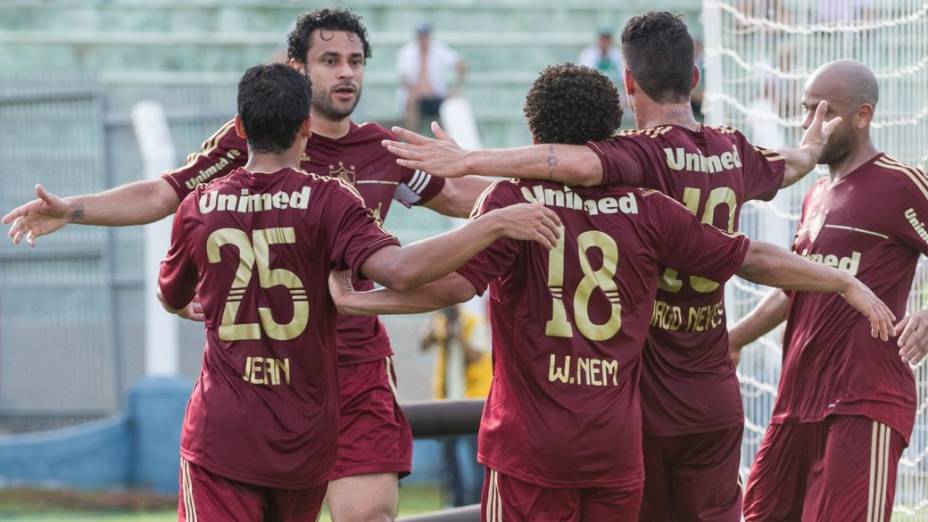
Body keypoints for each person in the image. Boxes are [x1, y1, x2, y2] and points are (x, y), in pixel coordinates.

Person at [327, 63, 895, 521]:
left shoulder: (511, 205)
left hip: (529, 448)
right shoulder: (649, 210)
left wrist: (360, 300)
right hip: (617, 448)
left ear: (534, 136)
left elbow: (445, 287)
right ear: (610, 135)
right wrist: (841, 278)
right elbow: (752, 256)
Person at [2, 9, 491, 521]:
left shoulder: (382, 150)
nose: (346, 73)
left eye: (355, 61)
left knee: (368, 515)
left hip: (353, 366)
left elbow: (462, 197)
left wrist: (535, 191)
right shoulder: (250, 142)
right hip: (267, 377)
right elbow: (161, 192)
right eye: (330, 60)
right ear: (298, 70)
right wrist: (74, 209)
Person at [158, 63, 560, 522]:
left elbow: (171, 294)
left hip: (224, 430)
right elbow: (402, 271)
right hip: (304, 433)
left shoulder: (198, 205)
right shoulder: (331, 199)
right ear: (306, 126)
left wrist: (182, 303)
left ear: (242, 127)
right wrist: (496, 220)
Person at [730, 59, 928, 522]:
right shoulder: (816, 193)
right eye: (805, 110)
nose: (808, 125)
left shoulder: (900, 184)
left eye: (825, 112)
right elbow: (800, 286)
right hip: (796, 400)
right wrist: (734, 338)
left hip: (864, 401)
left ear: (863, 115)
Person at [420, 305, 490, 507]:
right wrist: (434, 329)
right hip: (445, 402)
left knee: (475, 466)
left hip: (471, 404)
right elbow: (423, 343)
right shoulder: (439, 322)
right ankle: (455, 509)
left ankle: (477, 509)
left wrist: (457, 335)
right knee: (449, 467)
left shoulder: (472, 322)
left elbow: (477, 356)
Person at [397, 22, 466, 132]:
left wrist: (455, 88)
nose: (423, 39)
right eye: (421, 36)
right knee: (410, 102)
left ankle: (449, 142)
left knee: (454, 104)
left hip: (438, 97)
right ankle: (412, 141)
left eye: (425, 36)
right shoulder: (408, 51)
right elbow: (403, 77)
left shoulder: (439, 49)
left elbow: (461, 65)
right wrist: (412, 90)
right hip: (418, 98)